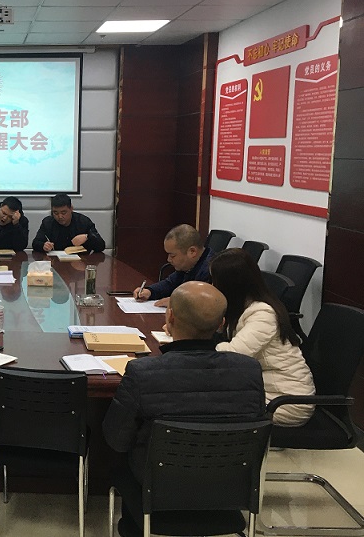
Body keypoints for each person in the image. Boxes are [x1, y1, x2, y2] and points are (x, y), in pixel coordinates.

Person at [102, 281, 266, 537]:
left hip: (154, 491)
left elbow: (116, 440)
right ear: (221, 324)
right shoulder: (249, 370)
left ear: (170, 317)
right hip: (227, 489)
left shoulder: (142, 373)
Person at [210, 248, 316, 427]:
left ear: (230, 285)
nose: (212, 286)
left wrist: (196, 346)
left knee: (207, 401)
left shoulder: (263, 313)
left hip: (286, 402)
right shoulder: (244, 306)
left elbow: (233, 355)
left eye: (215, 281)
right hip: (263, 389)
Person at [133, 224, 213, 307]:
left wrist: (178, 302)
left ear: (192, 252)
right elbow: (170, 283)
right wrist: (150, 291)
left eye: (172, 255)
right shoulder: (187, 266)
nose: (168, 259)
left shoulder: (212, 270)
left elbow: (206, 303)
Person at [31, 193, 106, 253]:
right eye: (55, 213)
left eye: (63, 212)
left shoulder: (83, 221)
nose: (60, 216)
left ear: (71, 209)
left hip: (81, 263)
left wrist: (87, 237)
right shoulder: (48, 223)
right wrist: (43, 246)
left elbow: (101, 246)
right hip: (56, 262)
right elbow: (35, 243)